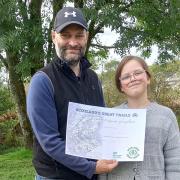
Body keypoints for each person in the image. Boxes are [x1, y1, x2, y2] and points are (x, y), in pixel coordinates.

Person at [27, 6, 118, 180]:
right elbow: (50, 142)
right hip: (56, 176)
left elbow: (101, 123)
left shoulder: (93, 78)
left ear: (87, 37)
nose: (73, 42)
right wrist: (91, 167)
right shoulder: (43, 81)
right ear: (54, 37)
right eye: (66, 35)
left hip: (91, 173)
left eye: (79, 35)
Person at [98, 55, 180, 180]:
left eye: (137, 73)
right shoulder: (111, 117)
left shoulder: (166, 116)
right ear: (121, 86)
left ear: (147, 78)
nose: (133, 79)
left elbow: (175, 162)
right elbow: (104, 161)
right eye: (126, 77)